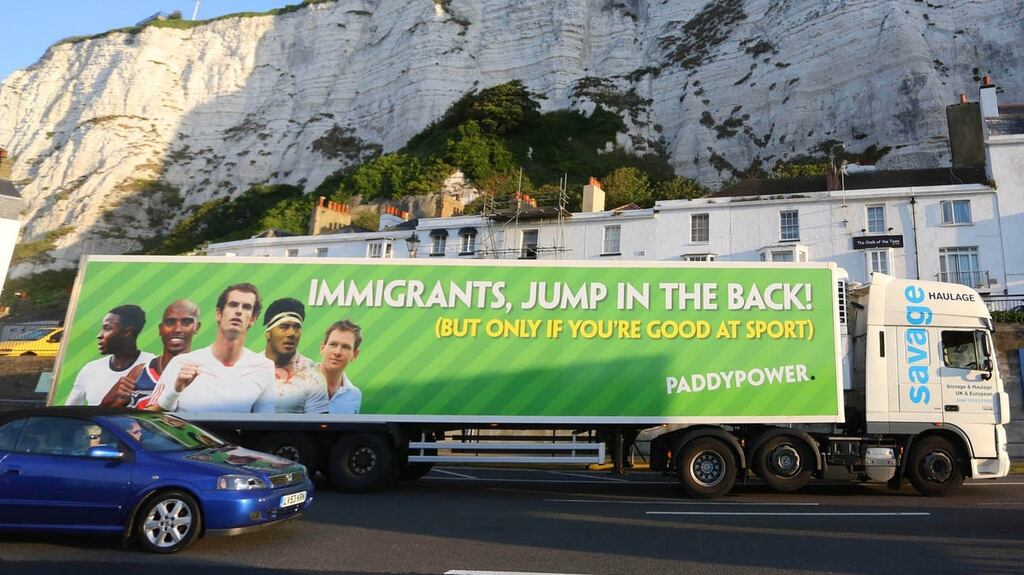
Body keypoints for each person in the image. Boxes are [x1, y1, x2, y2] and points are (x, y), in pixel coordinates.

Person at [152, 283, 275, 413]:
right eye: (233, 305)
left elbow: (264, 424)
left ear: (253, 319)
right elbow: (149, 417)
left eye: (246, 307)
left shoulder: (264, 367)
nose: (239, 311)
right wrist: (175, 391)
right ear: (219, 314)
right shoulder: (181, 363)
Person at [102, 300, 201, 409]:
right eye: (170, 322)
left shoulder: (202, 372)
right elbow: (105, 414)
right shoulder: (140, 371)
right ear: (160, 329)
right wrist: (109, 402)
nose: (177, 329)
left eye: (186, 322)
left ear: (196, 327)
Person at [65, 305, 155, 405]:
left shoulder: (153, 366)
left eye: (107, 328)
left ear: (127, 332)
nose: (99, 335)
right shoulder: (90, 369)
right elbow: (70, 412)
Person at [262, 298, 328, 413]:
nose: (292, 333)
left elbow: (317, 427)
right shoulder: (248, 368)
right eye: (284, 327)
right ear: (268, 333)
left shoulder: (312, 374)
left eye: (297, 327)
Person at [319, 320, 363, 414]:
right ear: (322, 348)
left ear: (354, 354)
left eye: (346, 347)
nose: (337, 352)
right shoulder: (297, 383)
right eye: (333, 344)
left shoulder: (354, 395)